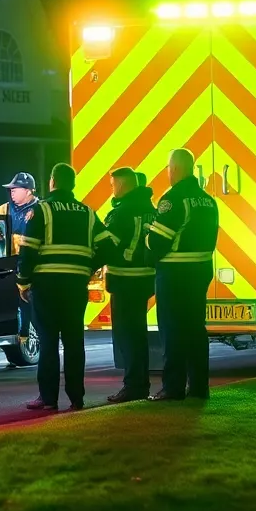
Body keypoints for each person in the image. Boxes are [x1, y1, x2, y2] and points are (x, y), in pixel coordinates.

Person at [17, 163, 118, 411]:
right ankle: (77, 398)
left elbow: (28, 250)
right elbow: (110, 246)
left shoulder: (41, 210)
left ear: (53, 182)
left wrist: (22, 281)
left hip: (46, 286)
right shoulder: (88, 213)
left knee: (48, 341)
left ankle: (48, 399)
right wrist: (87, 266)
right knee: (74, 342)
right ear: (72, 184)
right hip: (75, 286)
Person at [146, 148, 219, 401]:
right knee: (196, 332)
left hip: (174, 274)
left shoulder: (173, 199)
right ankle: (199, 388)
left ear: (174, 169)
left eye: (168, 168)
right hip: (200, 271)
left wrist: (146, 241)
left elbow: (157, 241)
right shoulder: (208, 200)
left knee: (172, 332)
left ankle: (173, 387)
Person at [102, 167, 156, 403]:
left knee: (127, 336)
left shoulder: (121, 214)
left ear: (122, 185)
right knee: (139, 335)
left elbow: (106, 246)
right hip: (146, 280)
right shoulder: (151, 210)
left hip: (124, 281)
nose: (112, 189)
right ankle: (141, 384)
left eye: (113, 184)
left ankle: (133, 386)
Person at [0, 172, 40, 347]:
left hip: (35, 267)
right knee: (16, 304)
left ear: (29, 191)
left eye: (15, 189)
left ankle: (39, 339)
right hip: (10, 267)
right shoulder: (4, 209)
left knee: (34, 305)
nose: (12, 193)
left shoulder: (40, 209)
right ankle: (21, 340)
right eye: (11, 189)